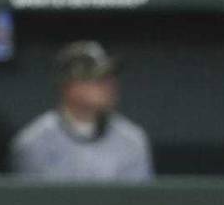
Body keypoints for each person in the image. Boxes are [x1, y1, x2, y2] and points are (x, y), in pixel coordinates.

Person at [10, 41, 154, 182]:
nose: (109, 85)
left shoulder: (132, 140)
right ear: (69, 86)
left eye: (110, 77)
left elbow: (139, 203)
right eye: (98, 79)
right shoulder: (33, 142)